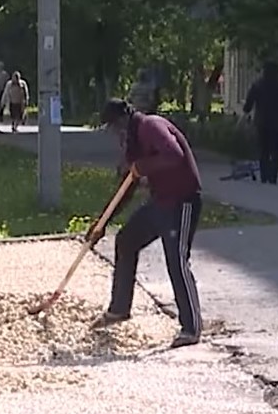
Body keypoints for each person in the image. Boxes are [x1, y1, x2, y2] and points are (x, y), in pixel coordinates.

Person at [87, 98, 203, 349]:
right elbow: (127, 187)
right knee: (126, 241)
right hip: (160, 202)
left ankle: (191, 327)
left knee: (176, 259)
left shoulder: (151, 126)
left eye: (114, 127)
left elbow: (174, 154)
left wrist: (142, 166)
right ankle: (119, 309)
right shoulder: (132, 144)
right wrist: (102, 222)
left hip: (182, 201)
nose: (114, 134)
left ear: (124, 119)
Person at [242, 61, 278, 184]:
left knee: (263, 149)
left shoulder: (258, 85)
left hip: (262, 122)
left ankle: (264, 176)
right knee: (277, 149)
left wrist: (246, 113)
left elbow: (249, 104)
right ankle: (273, 177)